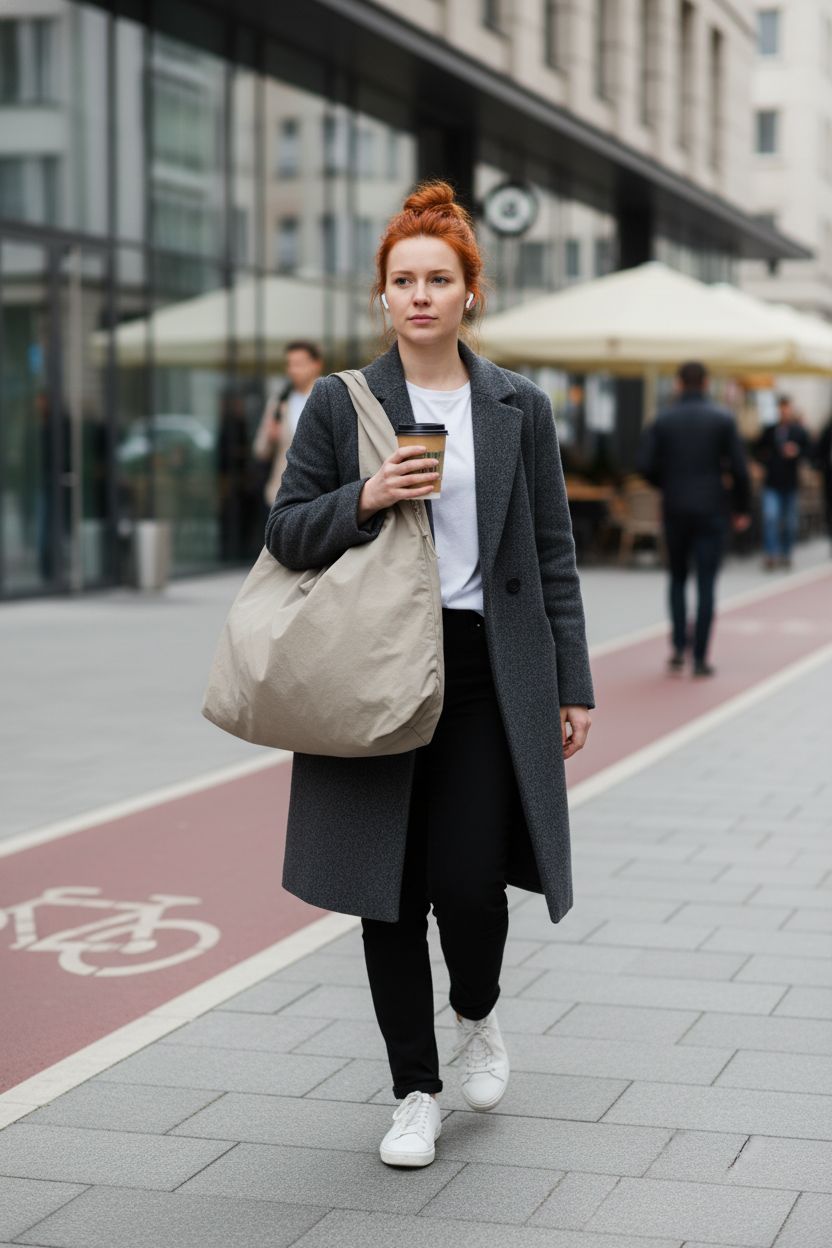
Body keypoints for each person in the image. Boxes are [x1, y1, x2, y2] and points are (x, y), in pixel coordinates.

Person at [265, 182, 594, 1169]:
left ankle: (478, 1012)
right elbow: (284, 532)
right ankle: (414, 1090)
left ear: (467, 294)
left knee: (470, 885)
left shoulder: (517, 407)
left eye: (437, 280)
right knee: (389, 894)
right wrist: (363, 496)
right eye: (401, 280)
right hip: (375, 669)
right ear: (381, 299)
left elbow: (552, 551)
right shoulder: (341, 403)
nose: (418, 296)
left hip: (487, 669)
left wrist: (572, 680)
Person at [637, 361, 751, 678]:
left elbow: (643, 465)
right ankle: (700, 656)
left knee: (676, 577)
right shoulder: (723, 419)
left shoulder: (662, 419)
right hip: (712, 508)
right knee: (706, 583)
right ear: (706, 383)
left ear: (678, 384)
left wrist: (668, 484)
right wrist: (741, 509)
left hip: (675, 508)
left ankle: (677, 647)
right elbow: (741, 470)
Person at [253, 340, 323, 517]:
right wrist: (270, 436)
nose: (292, 370)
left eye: (299, 364)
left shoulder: (327, 397)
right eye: (289, 364)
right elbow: (260, 450)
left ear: (316, 365)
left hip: (320, 494)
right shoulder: (280, 401)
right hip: (281, 492)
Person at [753, 394, 810, 569]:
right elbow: (757, 450)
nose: (784, 411)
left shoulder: (799, 432)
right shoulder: (769, 430)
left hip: (790, 482)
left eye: (787, 408)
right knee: (771, 517)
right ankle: (771, 553)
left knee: (790, 521)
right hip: (772, 481)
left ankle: (786, 553)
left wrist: (797, 452)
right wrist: (767, 459)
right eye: (781, 408)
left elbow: (810, 451)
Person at [812, 414, 832, 551]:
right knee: (830, 508)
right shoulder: (828, 430)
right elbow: (818, 452)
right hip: (830, 476)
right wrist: (820, 466)